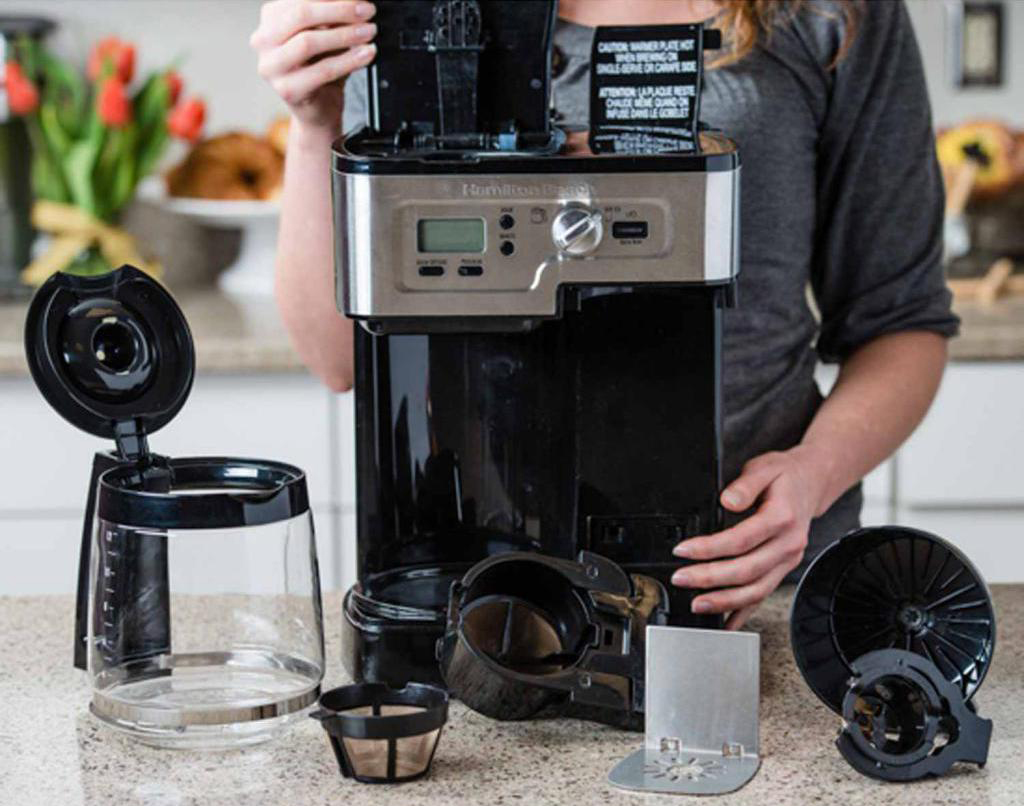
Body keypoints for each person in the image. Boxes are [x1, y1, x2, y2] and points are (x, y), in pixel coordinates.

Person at [251, 0, 957, 628]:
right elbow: (340, 359)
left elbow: (903, 321)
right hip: (471, 595)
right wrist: (315, 125)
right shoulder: (415, 23)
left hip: (747, 585)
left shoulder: (830, 14)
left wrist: (813, 475)